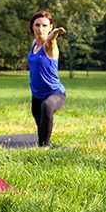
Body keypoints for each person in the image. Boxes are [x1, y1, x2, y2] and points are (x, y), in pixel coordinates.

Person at [28, 11, 67, 148]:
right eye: (37, 25)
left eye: (45, 25)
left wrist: (55, 33)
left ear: (50, 26)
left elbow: (50, 39)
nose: (40, 29)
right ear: (32, 27)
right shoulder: (34, 44)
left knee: (47, 106)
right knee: (41, 128)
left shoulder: (50, 45)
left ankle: (45, 147)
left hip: (55, 93)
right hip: (36, 95)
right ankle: (43, 144)